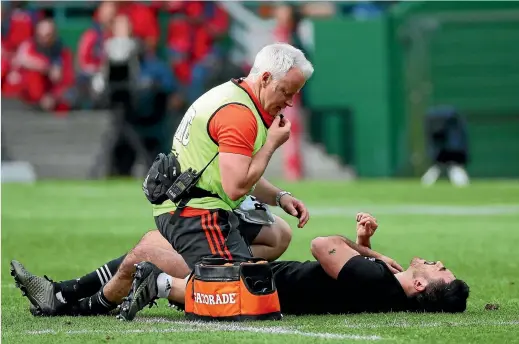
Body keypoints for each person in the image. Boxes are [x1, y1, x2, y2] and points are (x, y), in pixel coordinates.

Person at [10, 43, 313, 317]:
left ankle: (64, 294)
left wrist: (280, 197)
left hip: (186, 201)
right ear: (264, 79)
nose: (288, 102)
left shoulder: (236, 95)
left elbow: (233, 171)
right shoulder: (240, 114)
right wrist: (272, 144)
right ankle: (160, 282)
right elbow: (236, 184)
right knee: (242, 295)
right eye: (286, 91)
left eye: (294, 94)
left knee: (278, 234)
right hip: (197, 213)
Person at [11, 213, 469, 319]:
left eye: (441, 271)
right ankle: (79, 295)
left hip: (246, 284)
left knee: (149, 245)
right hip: (253, 287)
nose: (439, 262)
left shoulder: (375, 280)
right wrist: (368, 245)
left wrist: (365, 251)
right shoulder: (382, 289)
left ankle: (65, 297)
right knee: (274, 234)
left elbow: (323, 243)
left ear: (425, 286)